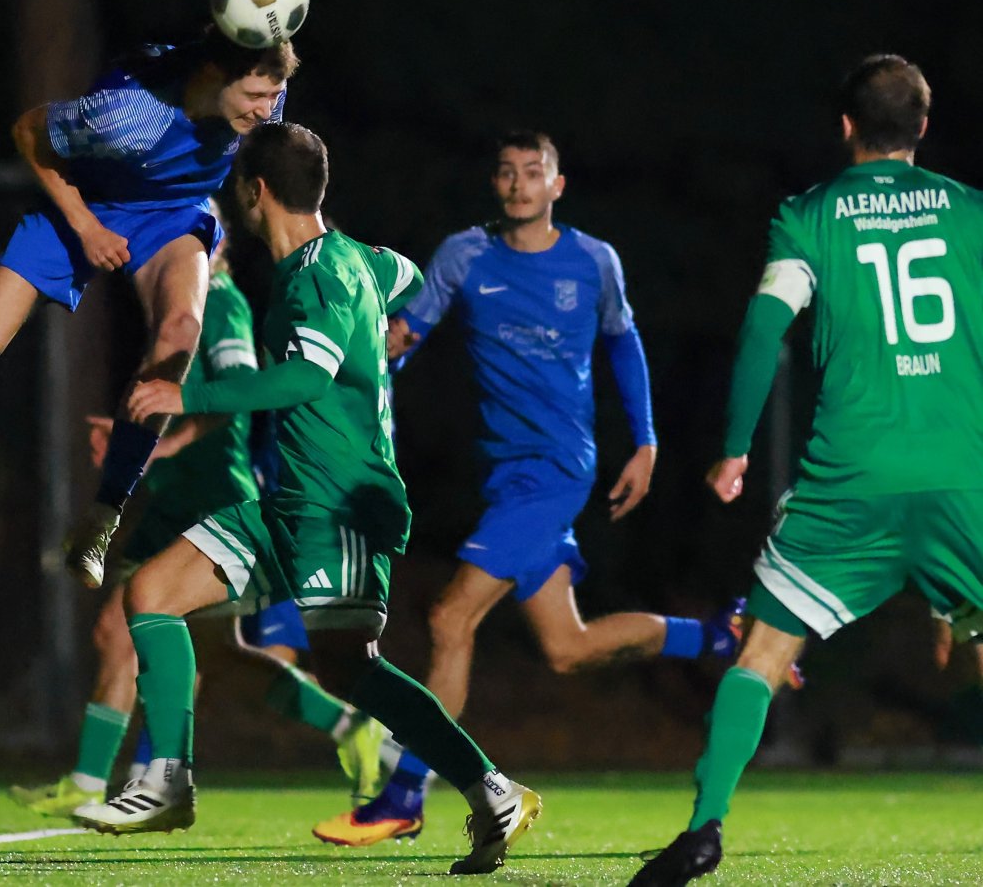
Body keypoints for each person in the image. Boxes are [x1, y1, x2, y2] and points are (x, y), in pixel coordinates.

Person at [73, 121, 541, 875]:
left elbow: (304, 378)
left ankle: (487, 788)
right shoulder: (356, 260)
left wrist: (183, 389)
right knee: (156, 595)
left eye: (239, 189)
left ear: (256, 193)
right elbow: (411, 278)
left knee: (352, 667)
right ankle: (169, 782)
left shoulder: (312, 277)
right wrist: (385, 341)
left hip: (339, 506)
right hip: (305, 502)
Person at [313, 130, 749, 846]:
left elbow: (622, 342)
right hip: (504, 475)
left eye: (533, 172)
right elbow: (407, 334)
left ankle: (403, 794)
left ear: (557, 186)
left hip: (556, 471)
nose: (518, 184)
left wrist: (645, 440)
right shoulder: (464, 255)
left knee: (452, 619)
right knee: (568, 647)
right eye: (507, 173)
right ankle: (720, 636)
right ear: (496, 184)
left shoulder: (593, 260)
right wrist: (365, 372)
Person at [630, 54, 983, 885]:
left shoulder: (810, 216)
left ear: (847, 126)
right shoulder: (971, 214)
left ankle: (704, 829)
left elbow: (764, 332)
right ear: (923, 129)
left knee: (761, 652)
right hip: (960, 476)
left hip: (849, 479)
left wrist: (735, 448)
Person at [0, 26, 298, 590]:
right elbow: (29, 131)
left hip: (173, 216)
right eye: (255, 96)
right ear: (213, 77)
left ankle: (104, 515)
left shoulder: (260, 102)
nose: (266, 110)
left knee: (181, 329)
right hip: (84, 206)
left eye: (273, 95)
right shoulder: (130, 112)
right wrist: (87, 226)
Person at [8, 233, 381, 817]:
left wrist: (162, 450)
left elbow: (234, 402)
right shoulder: (170, 309)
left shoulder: (222, 301)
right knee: (215, 655)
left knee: (120, 626)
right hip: (173, 501)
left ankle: (113, 780)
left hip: (212, 497)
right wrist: (132, 437)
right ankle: (348, 725)